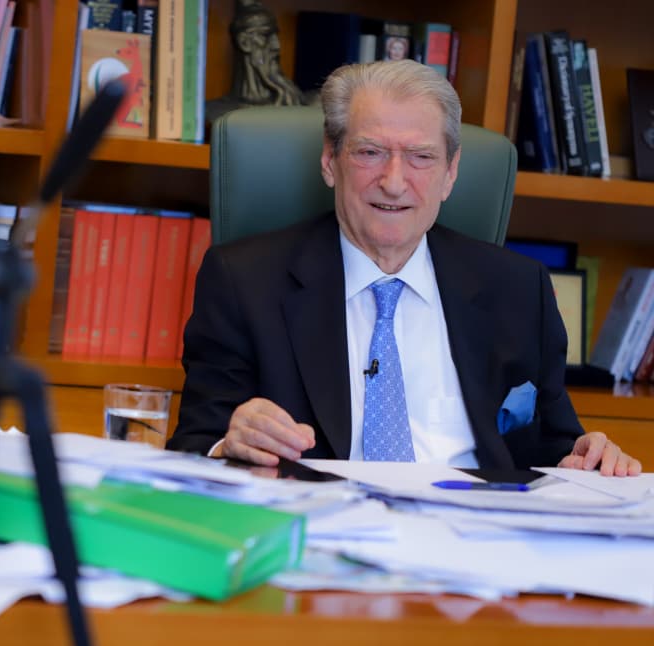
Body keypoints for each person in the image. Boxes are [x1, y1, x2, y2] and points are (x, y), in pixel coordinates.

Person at [169, 59, 642, 477]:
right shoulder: (244, 282)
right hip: (322, 530)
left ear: (450, 173)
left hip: (472, 532)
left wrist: (585, 458)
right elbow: (193, 445)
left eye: (421, 157)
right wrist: (228, 445)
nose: (394, 183)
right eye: (370, 152)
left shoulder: (519, 289)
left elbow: (552, 448)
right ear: (330, 160)